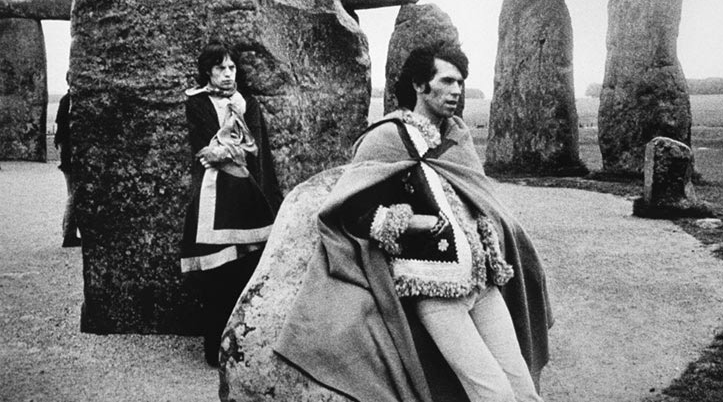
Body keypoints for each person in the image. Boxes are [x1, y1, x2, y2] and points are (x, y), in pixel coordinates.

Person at [275, 42, 553, 402]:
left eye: (461, 83)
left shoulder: (456, 137)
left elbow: (480, 199)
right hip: (433, 288)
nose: (457, 91)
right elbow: (352, 213)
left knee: (523, 390)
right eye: (448, 81)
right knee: (493, 393)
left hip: (483, 281)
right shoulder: (387, 138)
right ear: (421, 86)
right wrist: (412, 222)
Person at [180, 43, 283, 367]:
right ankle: (214, 347)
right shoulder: (196, 103)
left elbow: (251, 150)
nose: (227, 74)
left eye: (232, 68)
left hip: (246, 198)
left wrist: (225, 150)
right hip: (212, 199)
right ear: (207, 72)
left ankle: (241, 347)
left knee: (244, 274)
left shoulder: (246, 103)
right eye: (220, 68)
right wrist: (224, 149)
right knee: (215, 276)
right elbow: (205, 147)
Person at [54, 70, 80, 248]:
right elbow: (64, 132)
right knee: (74, 195)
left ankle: (68, 231)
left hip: (68, 155)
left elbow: (59, 132)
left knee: (73, 193)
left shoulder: (66, 100)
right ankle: (69, 234)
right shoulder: (69, 101)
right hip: (71, 156)